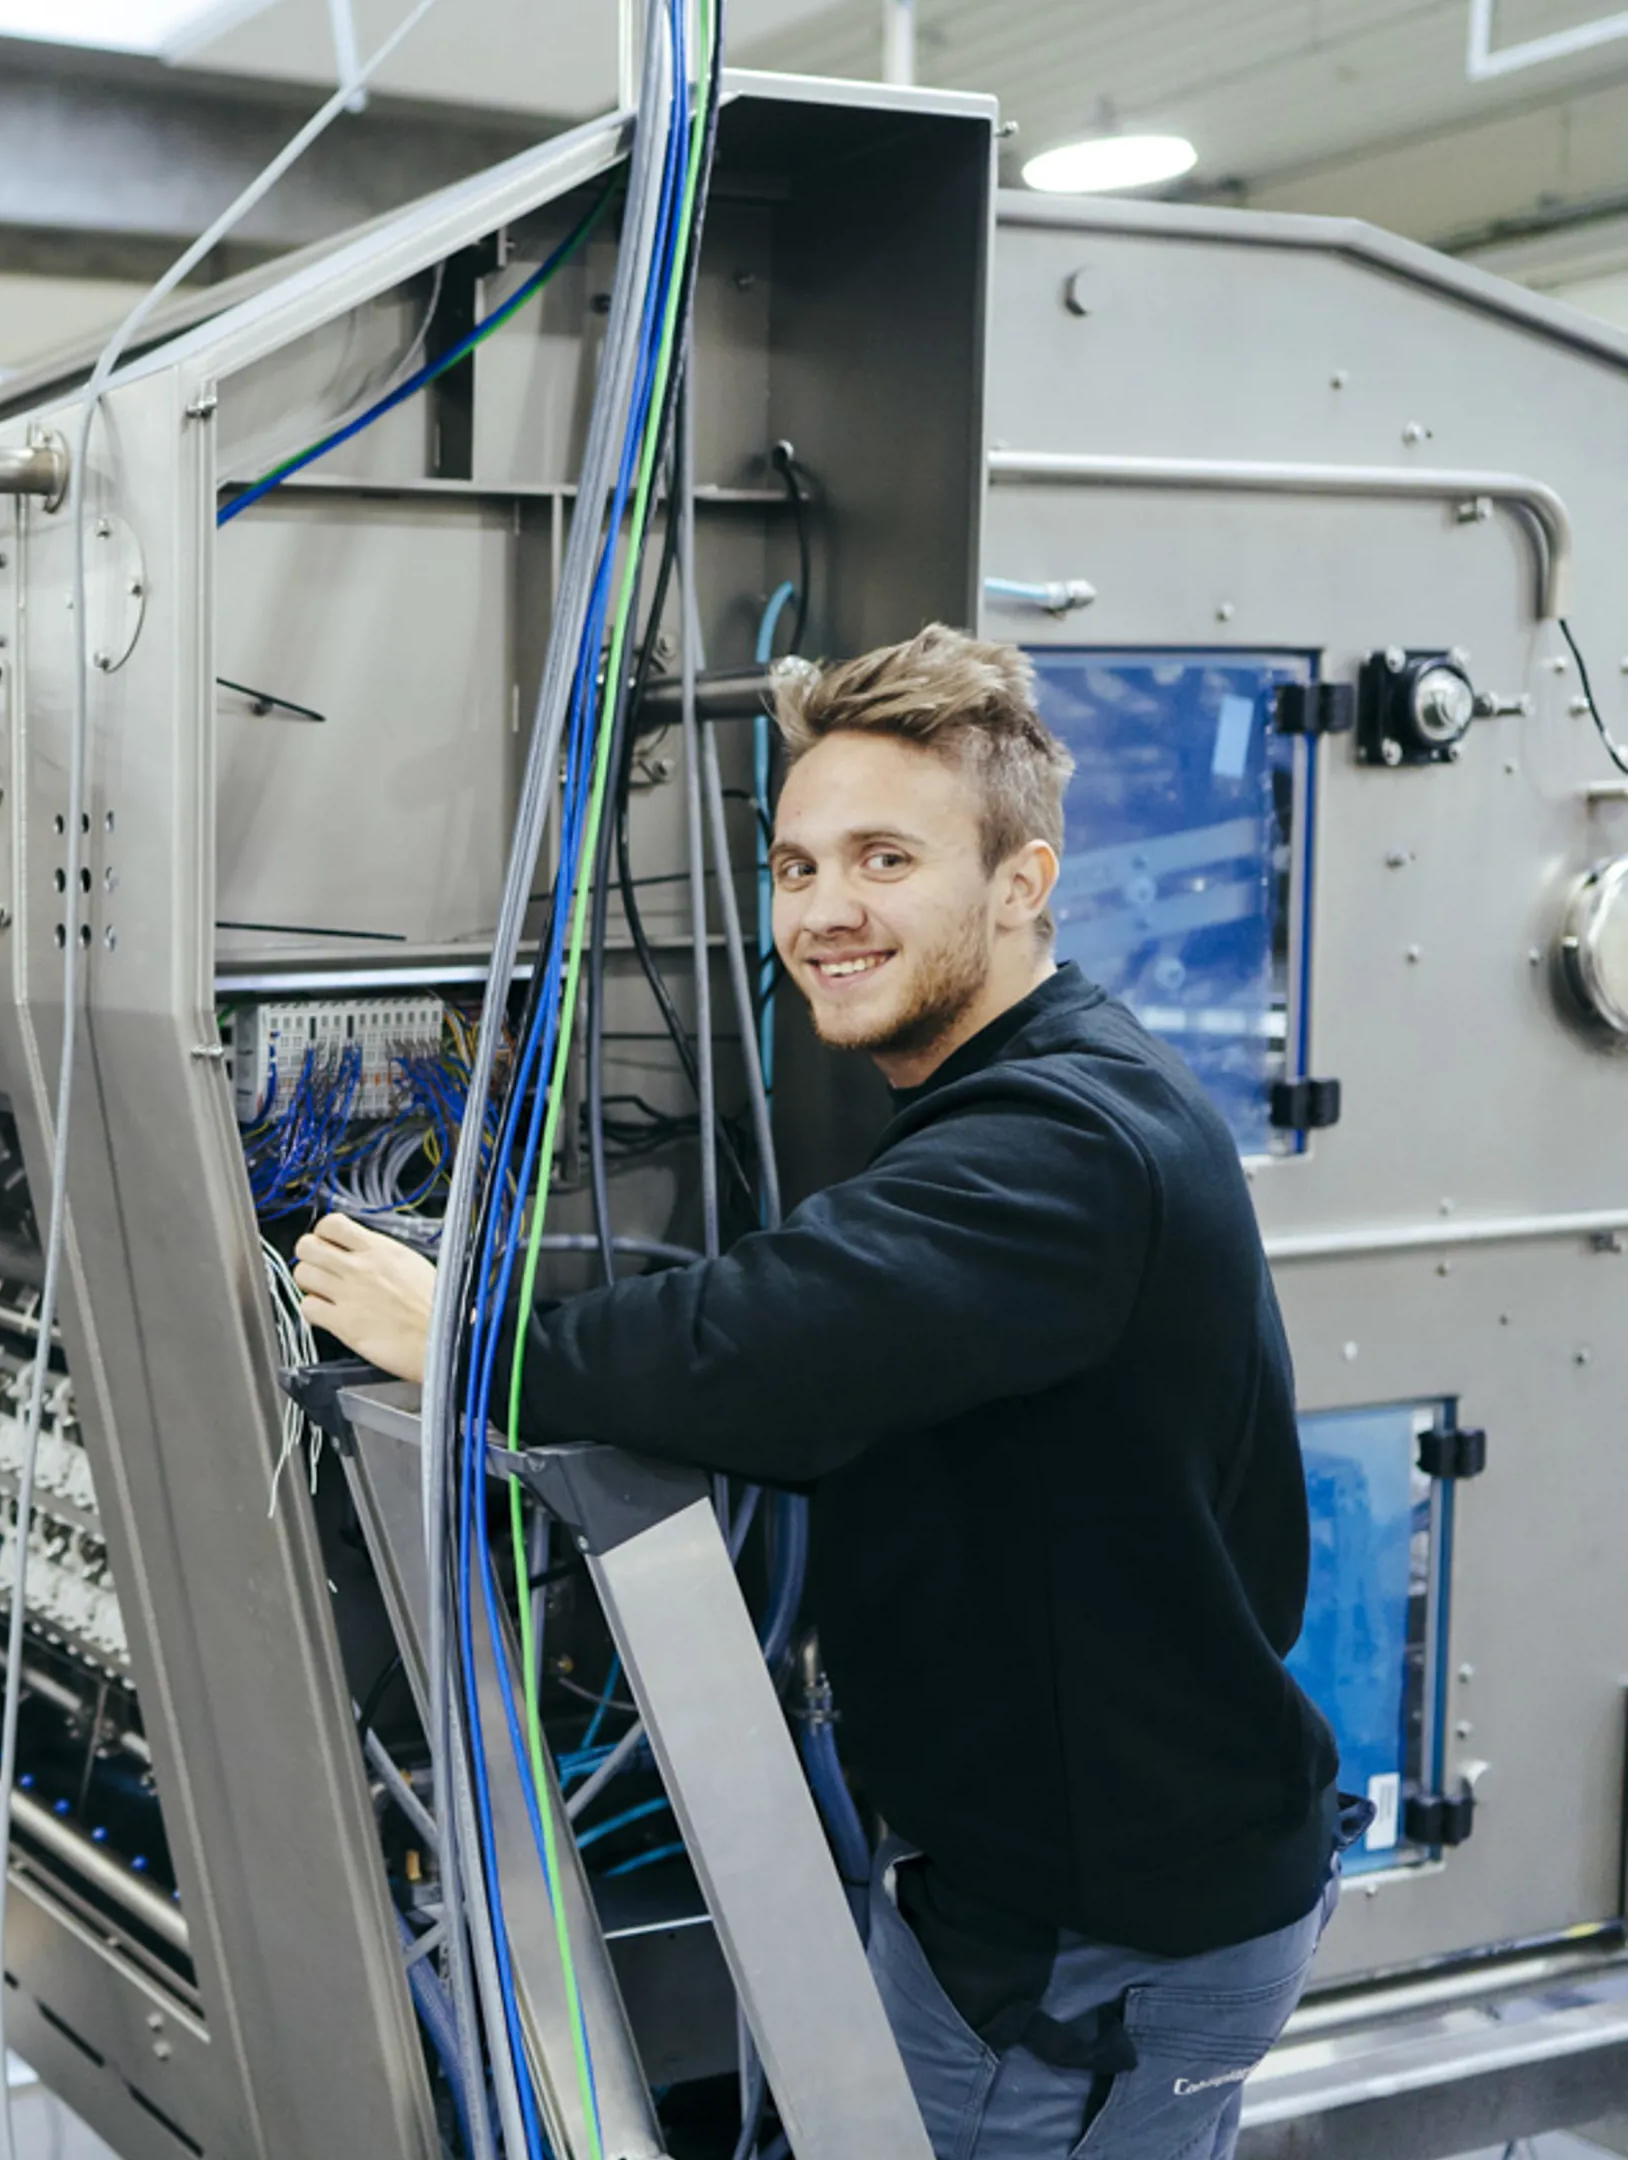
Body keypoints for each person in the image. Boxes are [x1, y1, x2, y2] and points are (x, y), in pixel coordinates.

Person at [291, 625, 1349, 2159]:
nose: (824, 910)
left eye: (882, 860)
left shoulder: (1061, 1143)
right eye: (794, 868)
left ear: (1020, 884)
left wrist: (460, 1334)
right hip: (1008, 1880)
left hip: (1096, 1935)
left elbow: (756, 1346)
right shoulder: (1003, 1090)